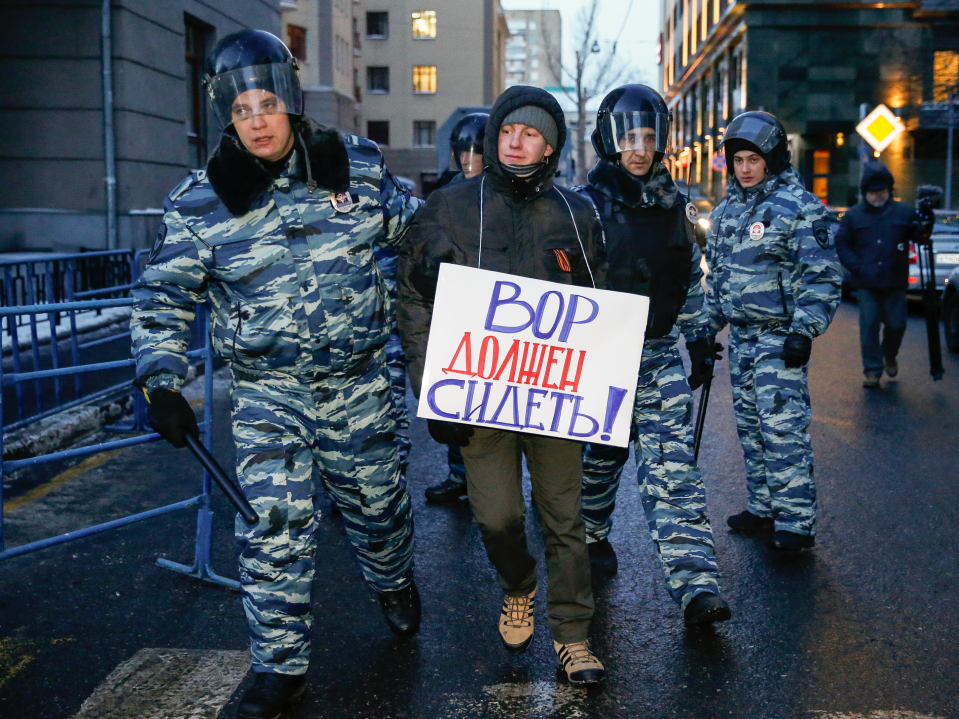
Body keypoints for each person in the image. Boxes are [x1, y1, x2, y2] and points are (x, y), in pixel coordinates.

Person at [130, 30, 422, 719]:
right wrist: (161, 379)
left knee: (378, 511)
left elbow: (423, 241)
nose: (256, 119)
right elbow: (162, 297)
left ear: (289, 102)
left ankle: (392, 577)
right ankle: (278, 663)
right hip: (270, 394)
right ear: (226, 118)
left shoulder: (355, 169)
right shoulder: (201, 204)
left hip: (358, 385)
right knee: (273, 523)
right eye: (240, 110)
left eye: (266, 103)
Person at [398, 86, 608, 685]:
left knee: (565, 519)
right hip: (478, 395)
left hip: (555, 399)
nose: (517, 142)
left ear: (551, 145)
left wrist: (609, 404)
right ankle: (518, 584)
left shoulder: (577, 213)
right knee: (496, 517)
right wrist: (430, 387)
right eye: (508, 130)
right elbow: (413, 297)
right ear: (494, 137)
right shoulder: (448, 206)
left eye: (532, 133)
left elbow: (600, 308)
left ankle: (573, 635)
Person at [576, 84, 731, 626]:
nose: (639, 149)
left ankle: (697, 586)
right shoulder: (583, 207)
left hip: (659, 355)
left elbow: (687, 278)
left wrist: (698, 337)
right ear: (608, 141)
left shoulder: (676, 207)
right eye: (628, 137)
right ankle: (592, 533)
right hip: (600, 360)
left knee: (673, 473)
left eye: (648, 136)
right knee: (599, 460)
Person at [705, 111, 843, 551]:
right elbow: (720, 278)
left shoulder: (799, 207)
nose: (744, 168)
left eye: (753, 159)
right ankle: (763, 507)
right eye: (738, 160)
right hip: (742, 338)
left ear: (773, 159)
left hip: (780, 338)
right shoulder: (727, 212)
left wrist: (805, 329)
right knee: (750, 427)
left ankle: (796, 523)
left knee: (782, 429)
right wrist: (705, 330)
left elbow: (821, 274)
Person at [423, 112, 489, 503]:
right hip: (453, 311)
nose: (468, 160)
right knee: (455, 401)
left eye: (476, 152)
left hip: (496, 311)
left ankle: (525, 483)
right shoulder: (443, 197)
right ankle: (458, 474)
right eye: (461, 152)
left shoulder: (502, 193)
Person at [834, 162, 918, 388]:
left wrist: (924, 222)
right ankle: (872, 370)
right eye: (873, 192)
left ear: (889, 190)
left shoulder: (904, 212)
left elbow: (920, 236)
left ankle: (889, 355)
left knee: (897, 325)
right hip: (866, 282)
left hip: (895, 280)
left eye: (882, 191)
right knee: (869, 325)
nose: (878, 195)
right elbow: (841, 244)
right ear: (865, 193)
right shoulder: (854, 216)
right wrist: (857, 266)